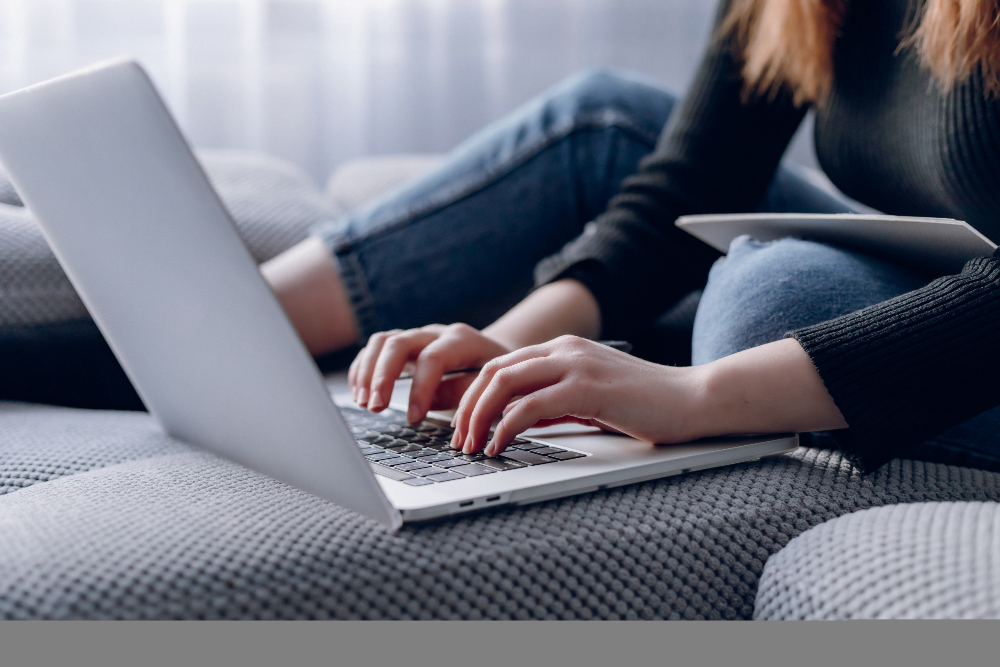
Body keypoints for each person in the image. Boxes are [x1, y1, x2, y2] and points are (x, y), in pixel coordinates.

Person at [262, 0, 1000, 472]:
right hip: (946, 270)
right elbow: (698, 181)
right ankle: (213, 331)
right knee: (605, 122)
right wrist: (510, 345)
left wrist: (696, 395)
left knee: (768, 301)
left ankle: (707, 366)